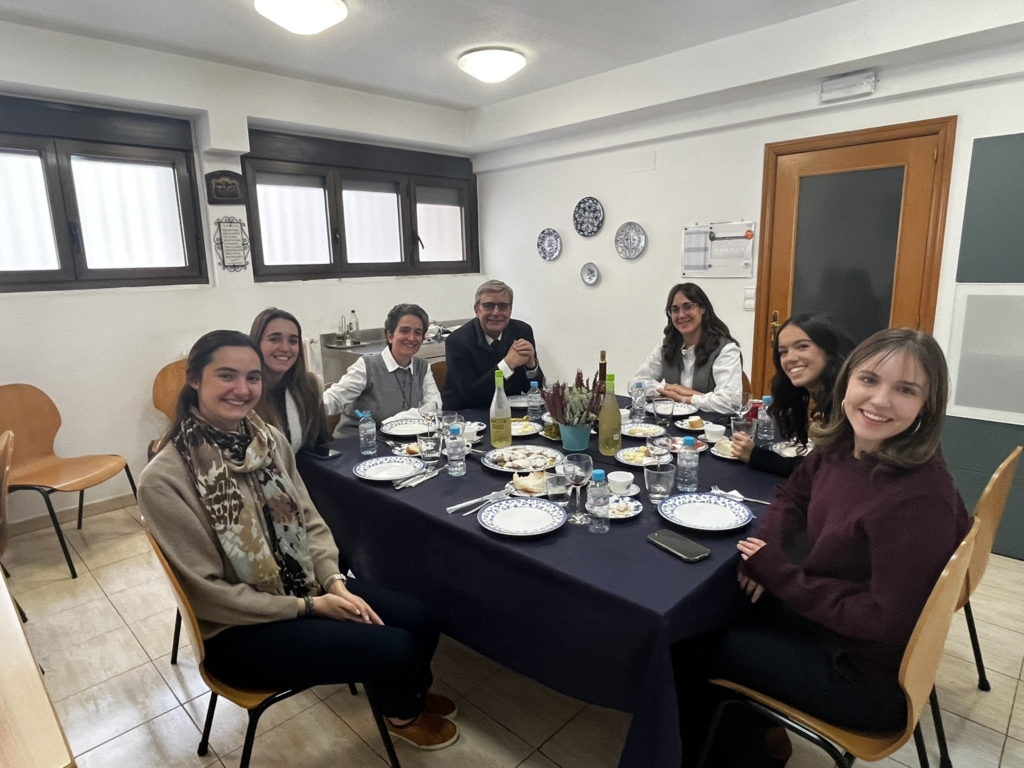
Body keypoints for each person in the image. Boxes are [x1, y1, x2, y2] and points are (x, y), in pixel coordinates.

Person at [139, 331, 459, 750]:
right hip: (239, 630)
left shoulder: (266, 440)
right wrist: (309, 606)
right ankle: (402, 712)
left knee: (418, 618)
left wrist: (333, 582)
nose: (242, 389)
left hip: (301, 585)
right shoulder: (166, 478)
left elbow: (309, 521)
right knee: (395, 646)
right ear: (195, 380)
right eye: (227, 376)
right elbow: (209, 594)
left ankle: (403, 692)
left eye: (252, 377)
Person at [674, 328, 970, 767]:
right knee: (720, 602)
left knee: (688, 644)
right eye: (869, 380)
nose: (880, 400)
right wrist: (765, 550)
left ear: (927, 404)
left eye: (904, 390)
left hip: (859, 674)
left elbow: (881, 621)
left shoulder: (919, 500)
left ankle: (740, 750)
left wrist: (780, 573)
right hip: (824, 623)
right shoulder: (847, 444)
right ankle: (759, 734)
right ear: (847, 381)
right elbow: (794, 495)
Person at [732, 313, 854, 476]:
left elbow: (822, 472)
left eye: (803, 346)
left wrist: (756, 456)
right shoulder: (821, 392)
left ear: (830, 349)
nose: (790, 358)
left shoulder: (848, 400)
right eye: (783, 352)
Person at [322, 304, 442, 437]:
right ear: (390, 335)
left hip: (397, 444)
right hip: (356, 444)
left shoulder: (423, 368)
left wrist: (393, 422)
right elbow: (334, 399)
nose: (412, 338)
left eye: (418, 333)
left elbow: (434, 407)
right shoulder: (367, 366)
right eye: (404, 331)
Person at [633, 283, 742, 414]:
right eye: (675, 310)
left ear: (703, 308)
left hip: (711, 427)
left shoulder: (726, 349)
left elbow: (730, 402)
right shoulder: (667, 345)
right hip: (672, 424)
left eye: (688, 307)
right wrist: (671, 388)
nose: (681, 315)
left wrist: (685, 397)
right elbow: (635, 384)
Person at [441, 280, 543, 410]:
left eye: (503, 306)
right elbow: (471, 395)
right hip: (467, 416)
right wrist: (507, 365)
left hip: (510, 412)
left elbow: (534, 389)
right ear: (476, 310)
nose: (496, 312)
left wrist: (531, 366)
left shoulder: (522, 331)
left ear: (510, 310)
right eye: (488, 306)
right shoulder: (457, 341)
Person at [249, 308, 329, 455]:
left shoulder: (310, 386)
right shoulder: (244, 392)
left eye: (293, 341)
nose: (285, 348)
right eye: (274, 339)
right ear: (256, 343)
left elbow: (321, 445)